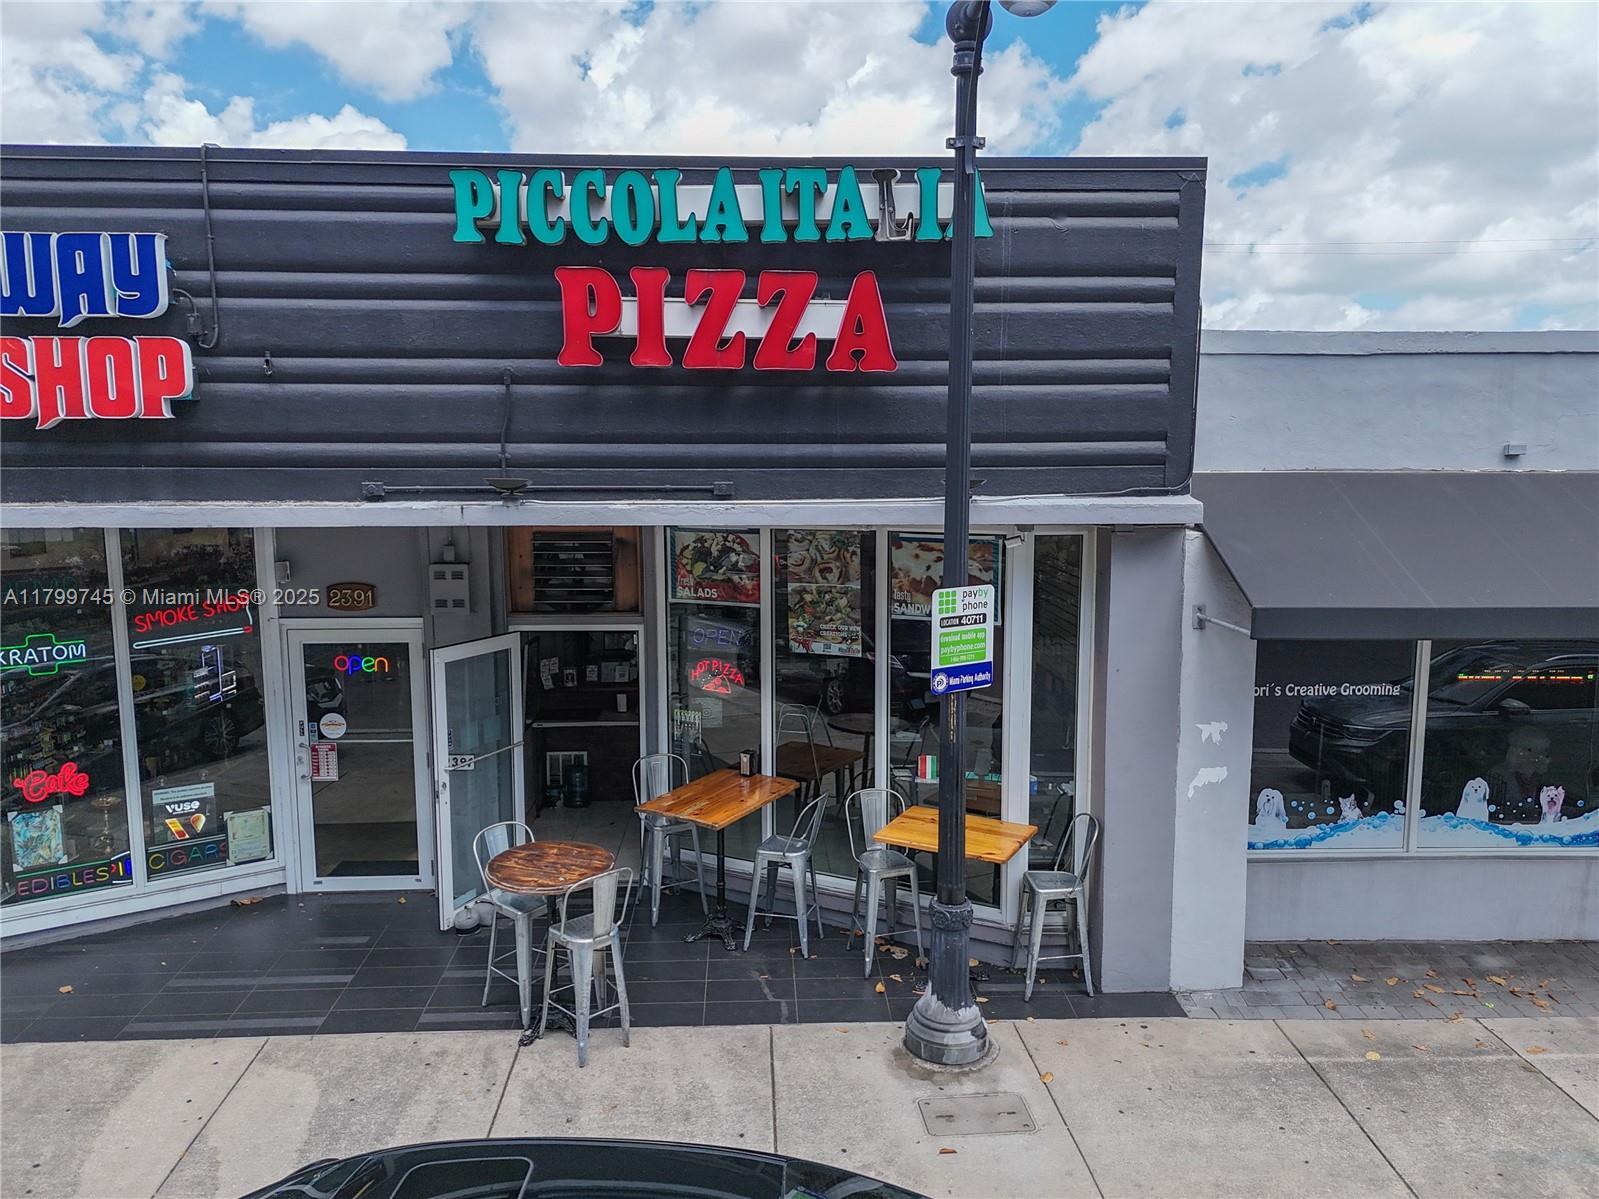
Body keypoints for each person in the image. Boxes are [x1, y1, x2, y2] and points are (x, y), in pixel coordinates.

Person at [1483, 725, 1552, 824]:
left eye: (1545, 752)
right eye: (1541, 752)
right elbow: (1494, 814)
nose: (1547, 758)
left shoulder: (1538, 779)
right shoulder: (1497, 776)